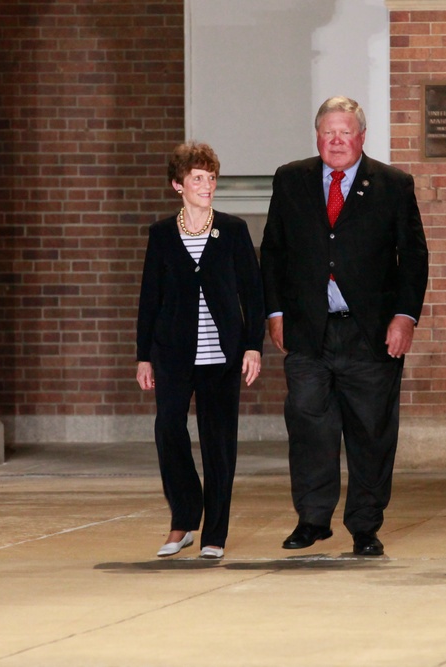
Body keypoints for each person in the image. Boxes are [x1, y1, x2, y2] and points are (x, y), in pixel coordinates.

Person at [260, 96, 429, 557]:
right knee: (309, 427)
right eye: (328, 132)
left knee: (371, 433)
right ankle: (312, 520)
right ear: (317, 136)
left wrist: (405, 316)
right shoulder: (291, 178)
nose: (336, 141)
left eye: (345, 132)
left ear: (361, 137)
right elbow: (272, 251)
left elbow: (413, 258)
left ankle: (365, 526)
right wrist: (274, 314)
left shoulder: (393, 184)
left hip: (370, 333)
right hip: (308, 331)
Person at [136, 141, 265, 560]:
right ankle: (184, 518)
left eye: (211, 178)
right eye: (197, 178)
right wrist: (143, 356)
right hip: (172, 354)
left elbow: (253, 294)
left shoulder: (233, 230)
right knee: (168, 431)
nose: (206, 185)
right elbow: (149, 298)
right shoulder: (161, 235)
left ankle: (215, 533)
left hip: (222, 356)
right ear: (178, 184)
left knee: (219, 442)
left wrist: (253, 347)